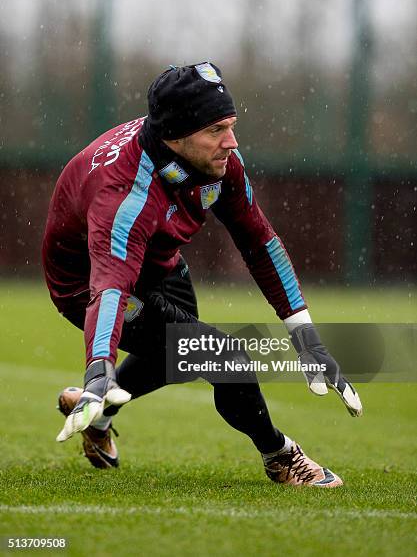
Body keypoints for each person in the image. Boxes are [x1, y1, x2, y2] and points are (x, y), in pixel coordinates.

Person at [42, 62, 362, 487]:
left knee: (178, 353)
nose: (231, 142)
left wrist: (306, 336)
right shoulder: (124, 195)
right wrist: (98, 368)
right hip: (88, 285)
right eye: (216, 130)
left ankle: (100, 413)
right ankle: (281, 455)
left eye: (229, 125)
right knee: (221, 354)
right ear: (174, 136)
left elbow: (259, 240)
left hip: (158, 259)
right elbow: (110, 288)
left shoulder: (213, 156)